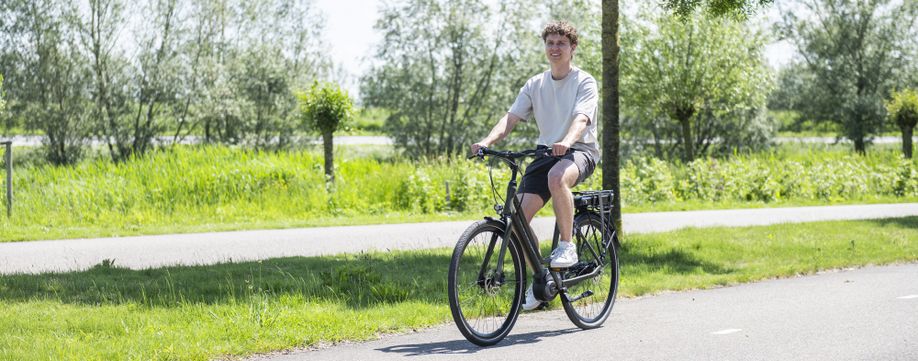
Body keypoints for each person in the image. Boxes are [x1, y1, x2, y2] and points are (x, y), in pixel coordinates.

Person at [469, 21, 599, 311]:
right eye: (550, 43)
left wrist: (566, 140)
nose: (555, 48)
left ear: (572, 48)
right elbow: (511, 119)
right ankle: (542, 279)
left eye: (561, 44)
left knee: (557, 177)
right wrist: (486, 141)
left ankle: (567, 246)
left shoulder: (584, 81)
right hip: (545, 152)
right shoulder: (535, 84)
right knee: (516, 217)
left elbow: (581, 119)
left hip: (579, 151)